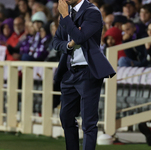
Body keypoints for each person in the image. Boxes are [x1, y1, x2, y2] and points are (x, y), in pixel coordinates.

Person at [52, 0, 116, 149]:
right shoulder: (67, 14)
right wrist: (68, 45)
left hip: (88, 71)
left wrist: (66, 17)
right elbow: (56, 42)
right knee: (66, 117)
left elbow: (80, 38)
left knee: (88, 122)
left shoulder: (92, 12)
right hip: (69, 71)